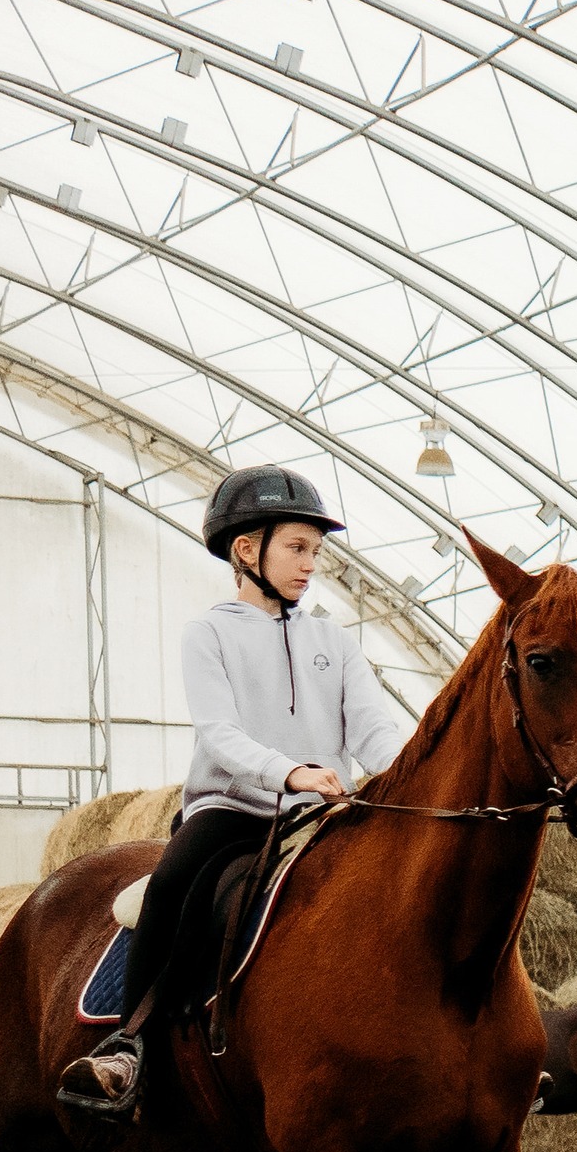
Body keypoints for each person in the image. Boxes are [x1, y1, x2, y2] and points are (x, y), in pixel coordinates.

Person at [61, 467, 410, 1116]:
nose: (311, 564)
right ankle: (128, 1047)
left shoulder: (334, 640)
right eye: (298, 548)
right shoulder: (209, 634)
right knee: (169, 886)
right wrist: (291, 772)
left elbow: (375, 732)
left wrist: (404, 785)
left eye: (316, 551)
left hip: (322, 815)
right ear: (247, 550)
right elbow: (218, 734)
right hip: (233, 812)